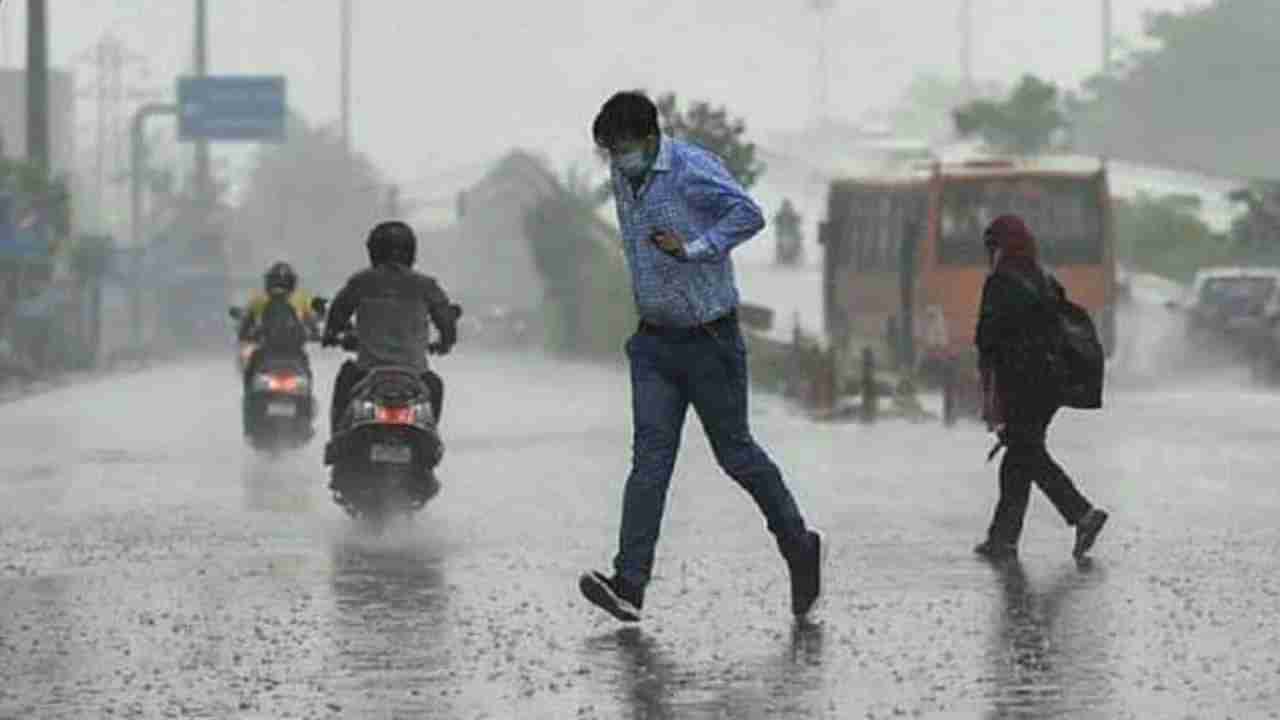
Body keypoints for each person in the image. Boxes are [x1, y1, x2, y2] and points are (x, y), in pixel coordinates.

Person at [578, 91, 824, 623]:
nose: (617, 161)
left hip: (710, 339)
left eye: (623, 149)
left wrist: (694, 248)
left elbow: (749, 214)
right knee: (649, 462)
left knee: (736, 455)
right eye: (609, 151)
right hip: (653, 344)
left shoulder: (691, 168)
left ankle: (800, 546)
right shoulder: (624, 178)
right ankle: (630, 583)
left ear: (649, 139)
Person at [974, 214, 1108, 562]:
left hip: (1019, 384)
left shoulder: (1001, 282)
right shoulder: (1044, 280)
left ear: (1000, 247)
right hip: (1050, 384)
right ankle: (1002, 539)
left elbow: (987, 340)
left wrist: (988, 390)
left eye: (992, 247)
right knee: (1019, 455)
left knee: (1026, 452)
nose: (990, 254)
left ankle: (1082, 513)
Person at [322, 221, 457, 436]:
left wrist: (330, 334)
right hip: (415, 374)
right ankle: (429, 439)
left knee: (345, 378)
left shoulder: (361, 282)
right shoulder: (426, 286)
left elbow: (338, 312)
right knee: (435, 386)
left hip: (366, 372)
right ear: (411, 251)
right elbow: (446, 320)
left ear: (374, 250)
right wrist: (446, 342)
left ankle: (337, 440)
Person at [238, 261, 319, 377]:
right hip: (282, 351)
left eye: (283, 284)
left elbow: (312, 323)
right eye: (277, 283)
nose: (279, 288)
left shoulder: (259, 300)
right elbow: (313, 324)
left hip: (278, 351)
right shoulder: (302, 299)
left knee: (305, 370)